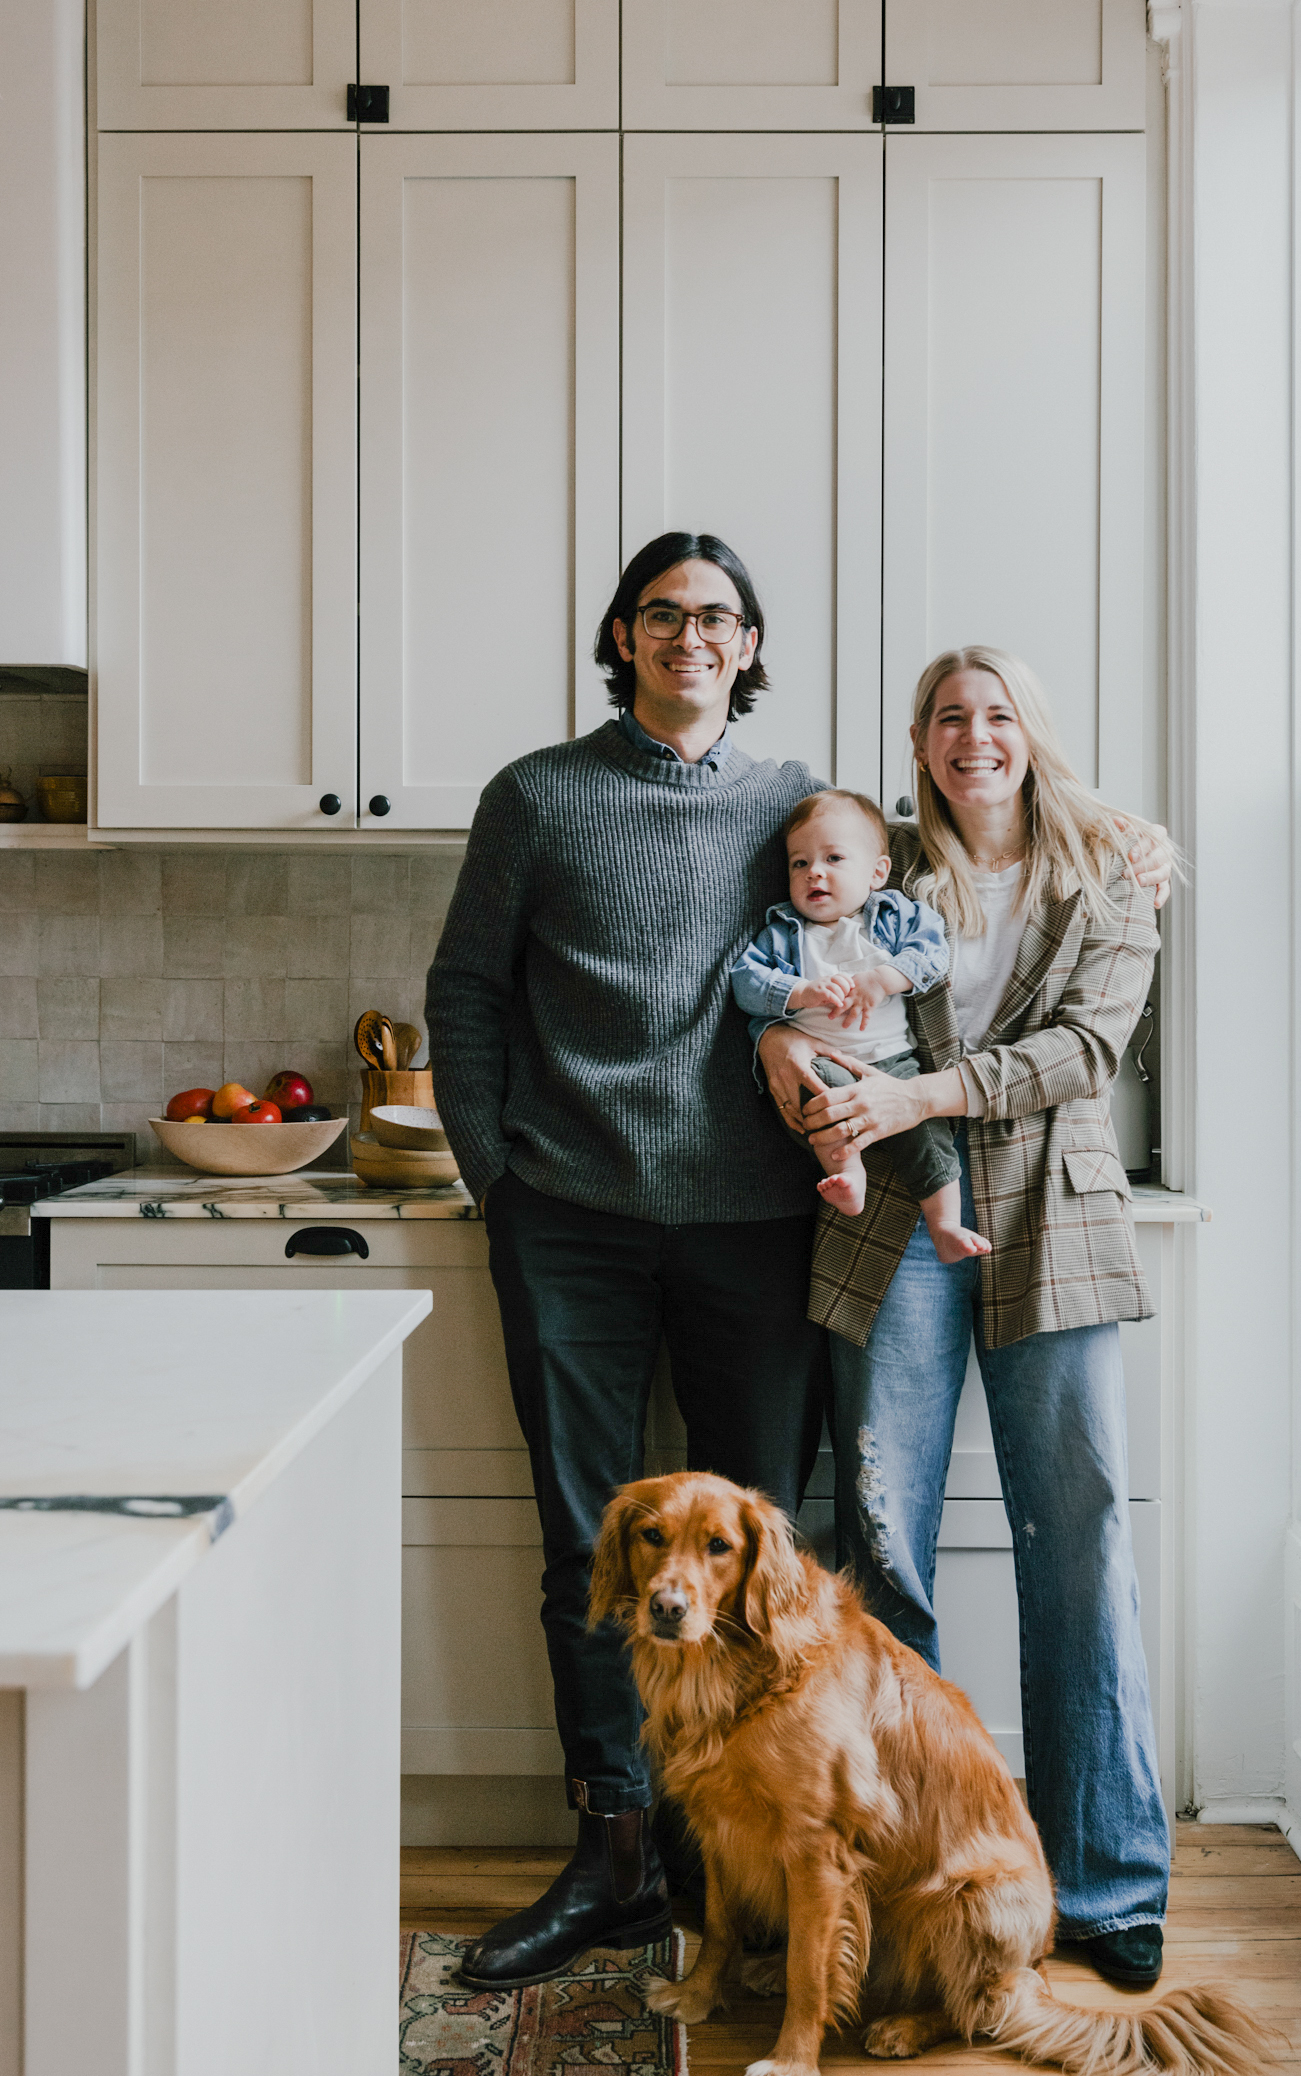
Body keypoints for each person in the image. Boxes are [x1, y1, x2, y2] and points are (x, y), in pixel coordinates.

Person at [426, 531, 837, 1989]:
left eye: (716, 617)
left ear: (746, 642)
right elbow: (465, 988)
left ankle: (725, 1852)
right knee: (591, 1552)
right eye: (662, 615)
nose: (689, 637)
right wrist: (495, 1169)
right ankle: (610, 1856)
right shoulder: (538, 796)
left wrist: (1131, 844)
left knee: (762, 1559)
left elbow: (940, 895)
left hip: (755, 1219)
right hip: (572, 1219)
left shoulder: (797, 803)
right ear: (622, 634)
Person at [756, 645, 1177, 1992]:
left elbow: (1086, 1053)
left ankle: (1105, 1883)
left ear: (1031, 736)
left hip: (1056, 1215)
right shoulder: (884, 880)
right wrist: (791, 1051)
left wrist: (923, 1099)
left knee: (1082, 1537)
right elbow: (791, 987)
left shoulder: (1111, 873)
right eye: (947, 718)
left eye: (997, 717)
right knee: (883, 1549)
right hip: (893, 1226)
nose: (971, 738)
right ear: (920, 744)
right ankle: (906, 1866)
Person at [729, 788, 989, 1261]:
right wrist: (799, 993)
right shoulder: (784, 932)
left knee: (928, 1136)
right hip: (825, 1060)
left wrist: (882, 980)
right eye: (799, 863)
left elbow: (933, 953)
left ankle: (946, 1223)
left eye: (833, 858)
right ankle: (850, 1178)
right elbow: (746, 982)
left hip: (894, 1062)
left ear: (877, 872)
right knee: (823, 1099)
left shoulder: (891, 916)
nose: (815, 873)